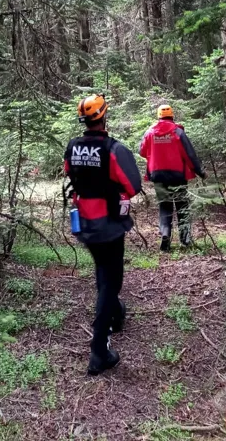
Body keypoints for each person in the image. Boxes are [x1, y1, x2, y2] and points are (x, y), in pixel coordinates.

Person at [64, 94, 141, 375]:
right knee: (111, 281)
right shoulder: (113, 149)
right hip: (109, 225)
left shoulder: (72, 147)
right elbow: (133, 186)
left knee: (103, 273)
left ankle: (116, 314)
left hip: (84, 222)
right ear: (104, 116)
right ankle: (99, 352)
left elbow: (69, 172)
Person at [140, 104, 204, 252]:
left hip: (158, 175)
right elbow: (189, 154)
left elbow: (142, 151)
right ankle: (185, 239)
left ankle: (165, 235)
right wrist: (200, 171)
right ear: (172, 116)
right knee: (182, 206)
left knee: (165, 206)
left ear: (158, 116)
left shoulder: (150, 132)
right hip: (178, 175)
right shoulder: (178, 132)